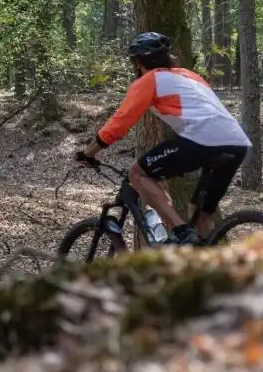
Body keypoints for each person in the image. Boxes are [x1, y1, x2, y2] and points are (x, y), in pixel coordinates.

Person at [76, 31, 251, 245]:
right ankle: (215, 267)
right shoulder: (190, 76)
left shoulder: (150, 80)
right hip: (237, 142)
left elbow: (119, 123)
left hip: (203, 138)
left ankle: (180, 231)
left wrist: (88, 153)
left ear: (138, 62)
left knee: (137, 173)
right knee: (199, 212)